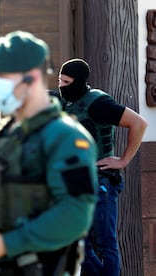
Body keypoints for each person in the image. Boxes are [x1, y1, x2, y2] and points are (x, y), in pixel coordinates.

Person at [0, 31, 99, 276]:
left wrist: (6, 244)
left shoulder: (66, 138)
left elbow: (75, 214)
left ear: (33, 77)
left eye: (3, 77)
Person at [58, 58, 148, 276]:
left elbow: (139, 123)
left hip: (102, 181)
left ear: (78, 82)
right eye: (59, 80)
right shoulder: (63, 101)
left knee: (106, 243)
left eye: (66, 81)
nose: (61, 86)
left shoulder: (99, 103)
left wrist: (123, 160)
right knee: (78, 244)